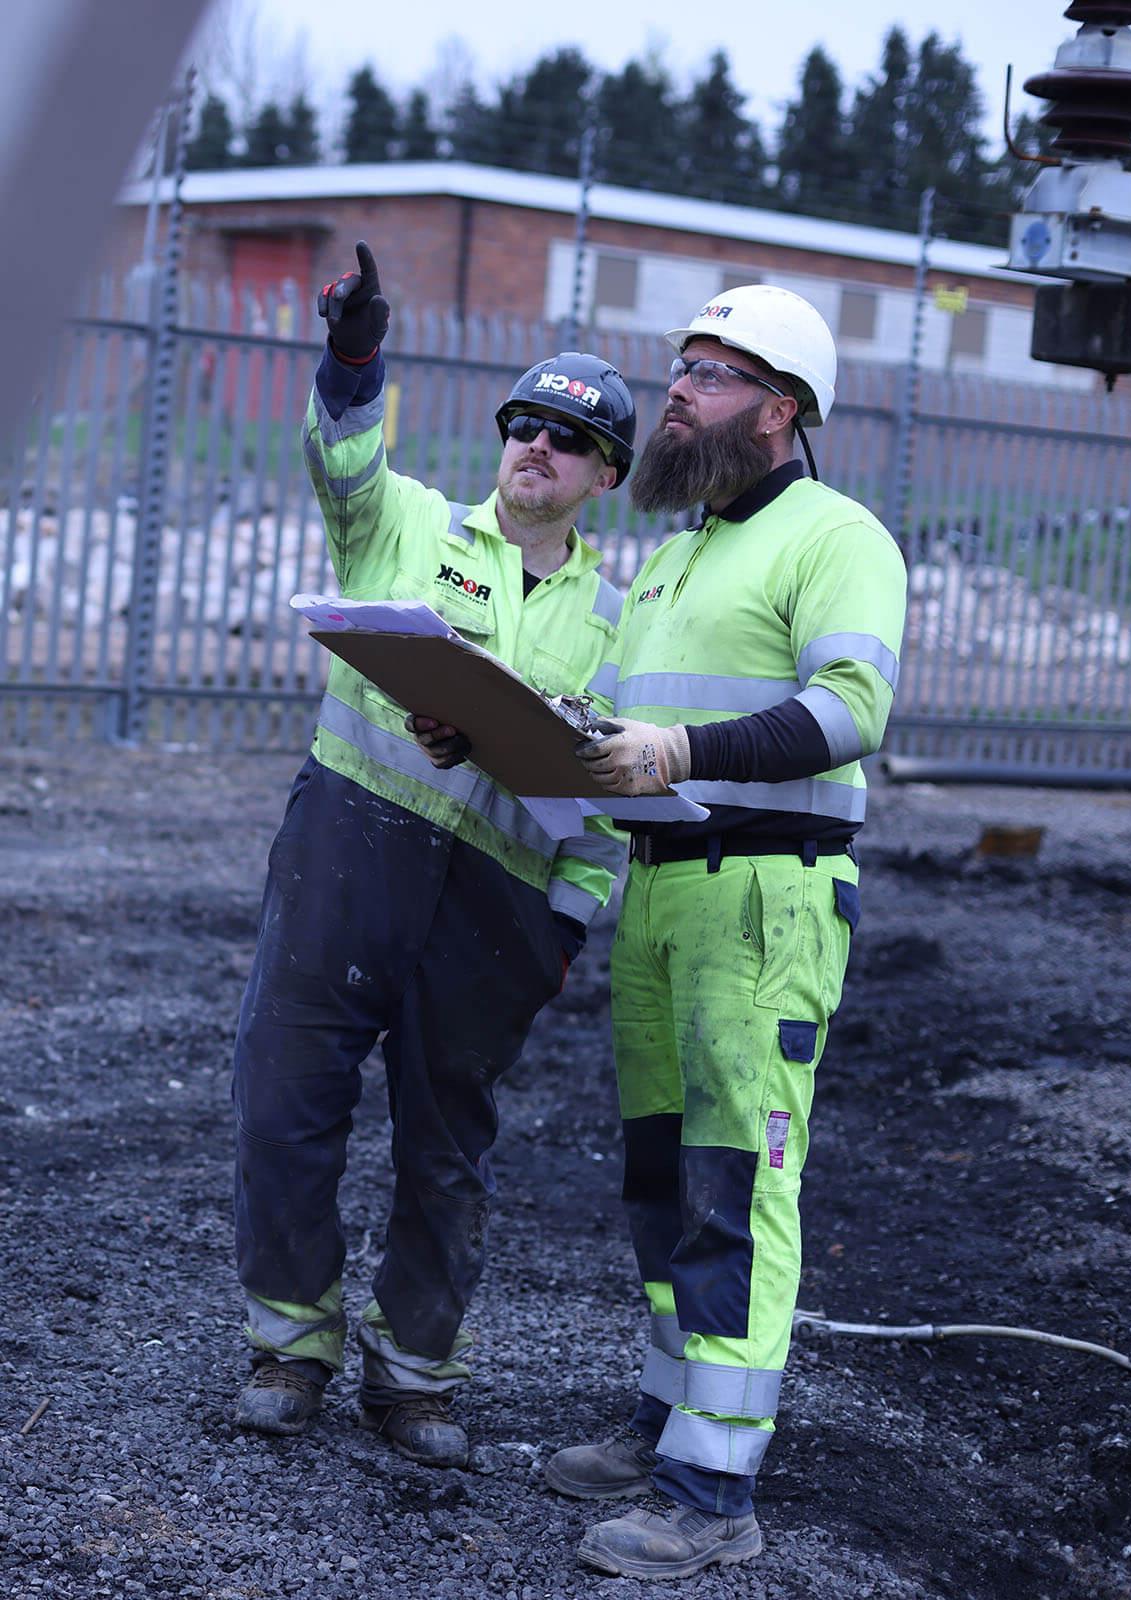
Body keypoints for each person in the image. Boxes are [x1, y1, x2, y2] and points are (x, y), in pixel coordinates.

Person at [231, 241, 634, 1468]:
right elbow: (340, 458)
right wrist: (354, 356)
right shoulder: (405, 524)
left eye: (567, 440)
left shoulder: (625, 622)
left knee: (446, 1147)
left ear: (604, 474)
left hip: (496, 909)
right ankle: (290, 1344)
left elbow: (609, 801)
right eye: (524, 425)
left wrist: (565, 926)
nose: (537, 449)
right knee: (285, 1102)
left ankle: (415, 1377)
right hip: (349, 851)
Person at [545, 284, 909, 1580]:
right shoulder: (681, 550)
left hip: (766, 899)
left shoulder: (836, 536)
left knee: (736, 1188)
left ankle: (713, 1495)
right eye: (682, 364)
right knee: (662, 1182)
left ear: (781, 407)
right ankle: (666, 1419)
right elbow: (629, 738)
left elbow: (852, 707)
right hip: (665, 898)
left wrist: (679, 748)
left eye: (710, 371)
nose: (680, 388)